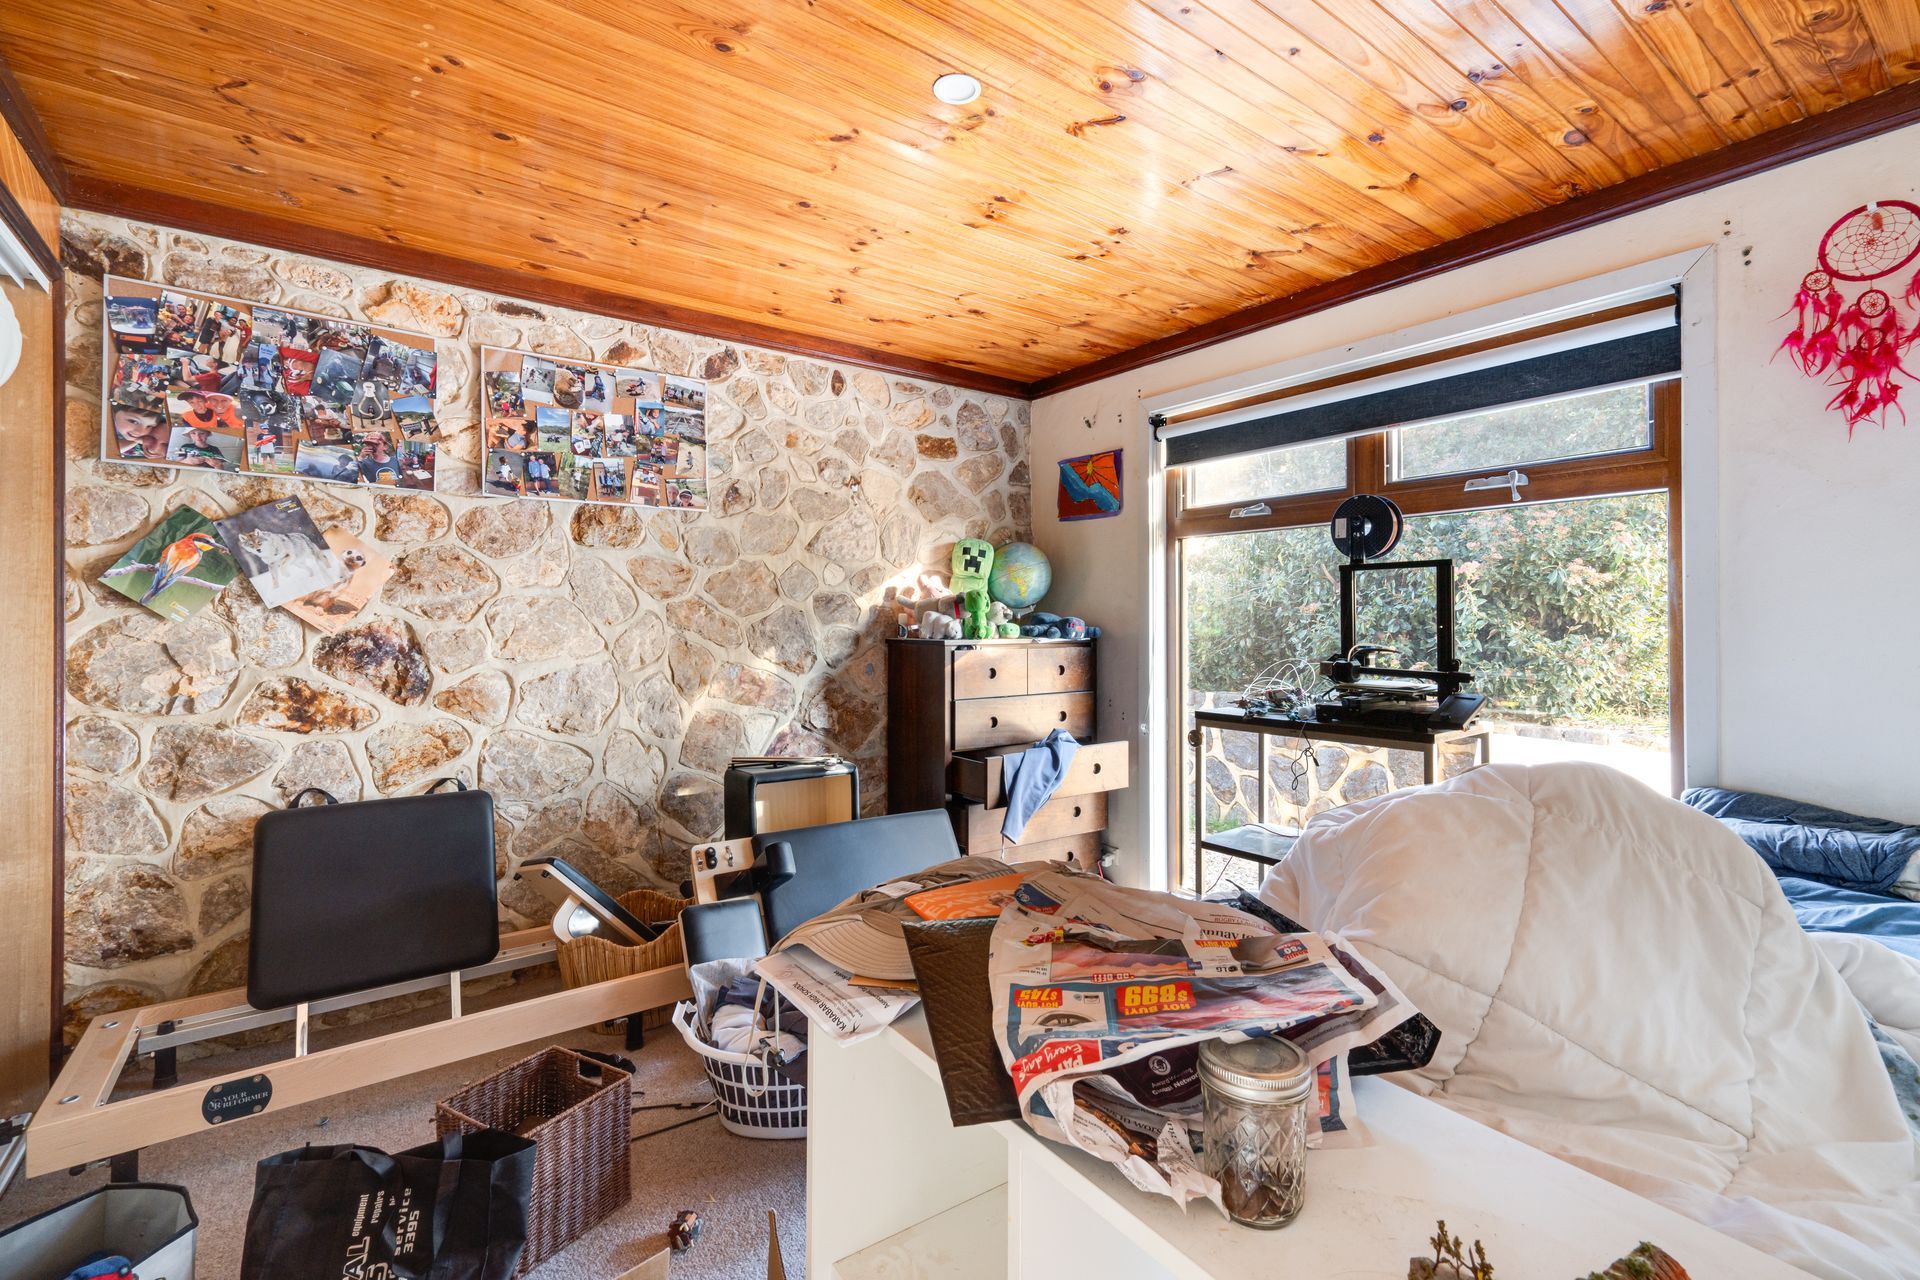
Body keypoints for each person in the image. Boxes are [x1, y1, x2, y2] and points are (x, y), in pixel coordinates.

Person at [176, 389, 246, 435]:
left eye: (200, 401)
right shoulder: (188, 415)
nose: (197, 405)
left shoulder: (238, 411)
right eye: (191, 402)